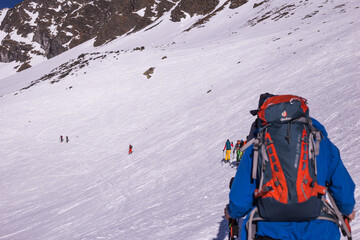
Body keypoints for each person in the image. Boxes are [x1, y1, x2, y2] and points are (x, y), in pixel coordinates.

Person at [224, 94, 356, 240]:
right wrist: (347, 210)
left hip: (269, 230)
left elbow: (240, 198)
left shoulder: (256, 146)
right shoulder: (320, 141)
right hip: (319, 230)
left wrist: (231, 212)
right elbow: (342, 185)